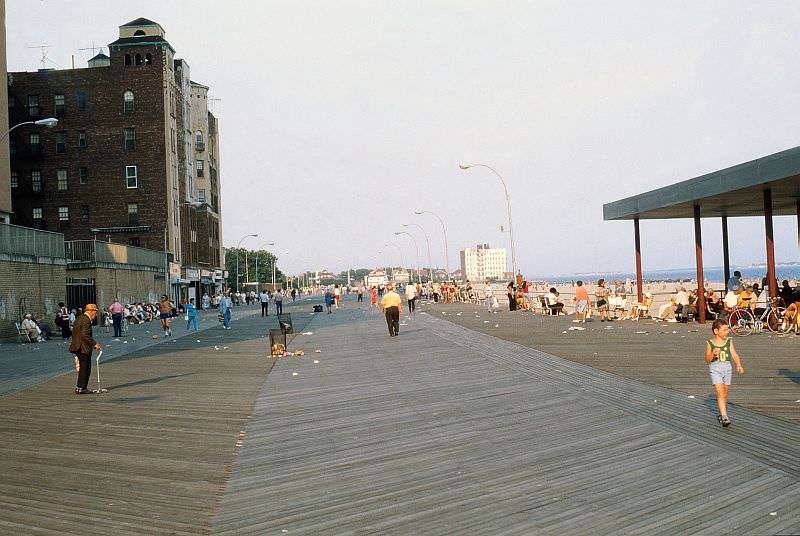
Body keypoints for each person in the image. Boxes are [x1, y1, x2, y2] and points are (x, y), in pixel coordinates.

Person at [705, 319, 744, 426]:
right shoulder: (710, 343)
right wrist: (712, 353)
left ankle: (722, 412)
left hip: (727, 368)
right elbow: (707, 359)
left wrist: (738, 365)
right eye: (724, 330)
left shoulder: (728, 341)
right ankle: (724, 416)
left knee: (725, 393)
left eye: (727, 329)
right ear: (716, 331)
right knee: (720, 393)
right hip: (715, 368)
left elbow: (734, 355)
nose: (727, 332)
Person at [69, 303, 101, 394]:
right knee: (85, 368)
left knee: (83, 367)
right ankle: (82, 388)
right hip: (83, 347)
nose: (96, 315)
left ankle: (80, 387)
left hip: (78, 346)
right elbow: (85, 335)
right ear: (91, 312)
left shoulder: (80, 318)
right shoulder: (86, 320)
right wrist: (95, 344)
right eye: (95, 312)